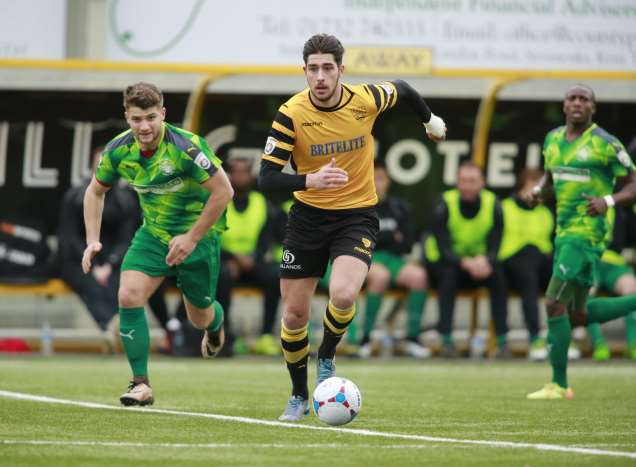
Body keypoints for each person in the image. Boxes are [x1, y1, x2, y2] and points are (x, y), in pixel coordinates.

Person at [257, 33, 446, 421]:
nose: (321, 76)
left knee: (343, 295)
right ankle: (297, 396)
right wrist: (308, 181)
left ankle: (326, 356)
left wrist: (430, 121)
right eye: (313, 69)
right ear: (304, 71)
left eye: (328, 68)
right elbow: (266, 178)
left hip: (356, 215)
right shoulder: (291, 113)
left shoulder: (365, 99)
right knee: (293, 315)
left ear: (342, 70)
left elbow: (405, 90)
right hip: (308, 218)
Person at [82, 82, 233, 406]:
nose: (144, 126)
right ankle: (140, 384)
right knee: (129, 294)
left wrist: (191, 238)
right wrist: (92, 241)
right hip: (152, 235)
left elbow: (224, 192)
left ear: (163, 114)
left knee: (199, 318)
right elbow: (95, 191)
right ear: (127, 117)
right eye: (137, 119)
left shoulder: (187, 147)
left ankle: (216, 323)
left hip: (199, 237)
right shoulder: (118, 150)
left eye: (151, 117)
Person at [526, 84, 636, 400]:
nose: (577, 103)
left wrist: (609, 200)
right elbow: (550, 179)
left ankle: (559, 385)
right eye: (572, 98)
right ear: (564, 105)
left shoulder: (606, 144)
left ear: (593, 108)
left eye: (583, 99)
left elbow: (633, 184)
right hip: (563, 233)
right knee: (576, 315)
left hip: (588, 234)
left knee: (552, 302)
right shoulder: (553, 139)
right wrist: (537, 193)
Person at [424, 161, 509, 358]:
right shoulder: (445, 202)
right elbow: (443, 246)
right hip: (451, 264)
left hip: (481, 265)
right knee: (448, 279)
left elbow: (496, 242)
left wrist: (486, 260)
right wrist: (465, 262)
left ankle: (502, 342)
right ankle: (446, 341)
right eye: (463, 181)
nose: (467, 186)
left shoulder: (493, 203)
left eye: (472, 181)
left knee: (499, 278)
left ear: (482, 183)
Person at [358, 161, 431, 359]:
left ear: (388, 181)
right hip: (367, 258)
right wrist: (391, 237)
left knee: (419, 276)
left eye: (380, 178)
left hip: (394, 259)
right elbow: (361, 241)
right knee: (379, 276)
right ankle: (365, 339)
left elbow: (407, 242)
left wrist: (381, 238)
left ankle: (412, 339)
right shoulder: (358, 205)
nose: (376, 182)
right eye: (372, 177)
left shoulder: (399, 208)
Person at [216, 157, 282, 356]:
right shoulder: (219, 200)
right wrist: (233, 257)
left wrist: (253, 257)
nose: (240, 176)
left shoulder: (261, 203)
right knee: (222, 275)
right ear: (228, 175)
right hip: (226, 260)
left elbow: (266, 238)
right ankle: (225, 334)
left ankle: (265, 336)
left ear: (251, 176)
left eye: (244, 172)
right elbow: (211, 238)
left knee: (275, 277)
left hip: (253, 262)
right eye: (235, 172)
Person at [498, 168, 553, 361]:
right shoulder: (504, 207)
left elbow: (547, 245)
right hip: (511, 260)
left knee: (564, 276)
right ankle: (535, 337)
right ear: (521, 188)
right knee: (529, 278)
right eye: (532, 187)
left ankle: (562, 337)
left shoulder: (546, 213)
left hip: (540, 261)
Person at [585, 206, 636, 360]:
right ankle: (599, 344)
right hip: (591, 260)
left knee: (632, 288)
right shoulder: (583, 203)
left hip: (615, 263)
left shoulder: (622, 209)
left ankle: (633, 344)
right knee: (585, 289)